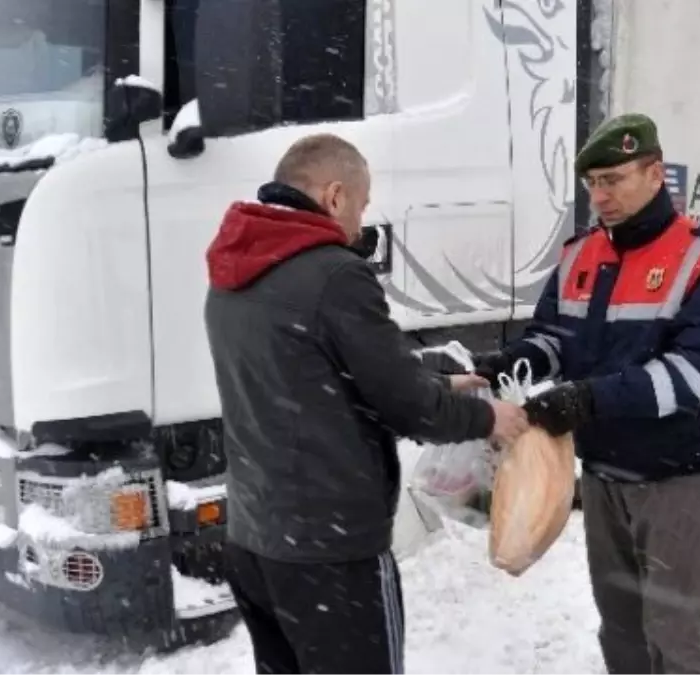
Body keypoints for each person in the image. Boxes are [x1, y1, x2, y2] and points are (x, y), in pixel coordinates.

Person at [203, 133, 529, 675]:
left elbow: (312, 372)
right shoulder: (334, 271)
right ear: (334, 196)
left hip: (256, 542)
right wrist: (490, 417)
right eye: (361, 203)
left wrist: (443, 382)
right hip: (330, 555)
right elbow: (407, 409)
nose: (360, 223)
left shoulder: (233, 268)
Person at [475, 113, 700, 675]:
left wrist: (589, 400)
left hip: (676, 478)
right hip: (603, 476)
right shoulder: (580, 253)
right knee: (620, 628)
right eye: (592, 183)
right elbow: (555, 338)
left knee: (678, 635)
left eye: (614, 180)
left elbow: (698, 374)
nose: (600, 196)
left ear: (655, 174)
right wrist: (507, 364)